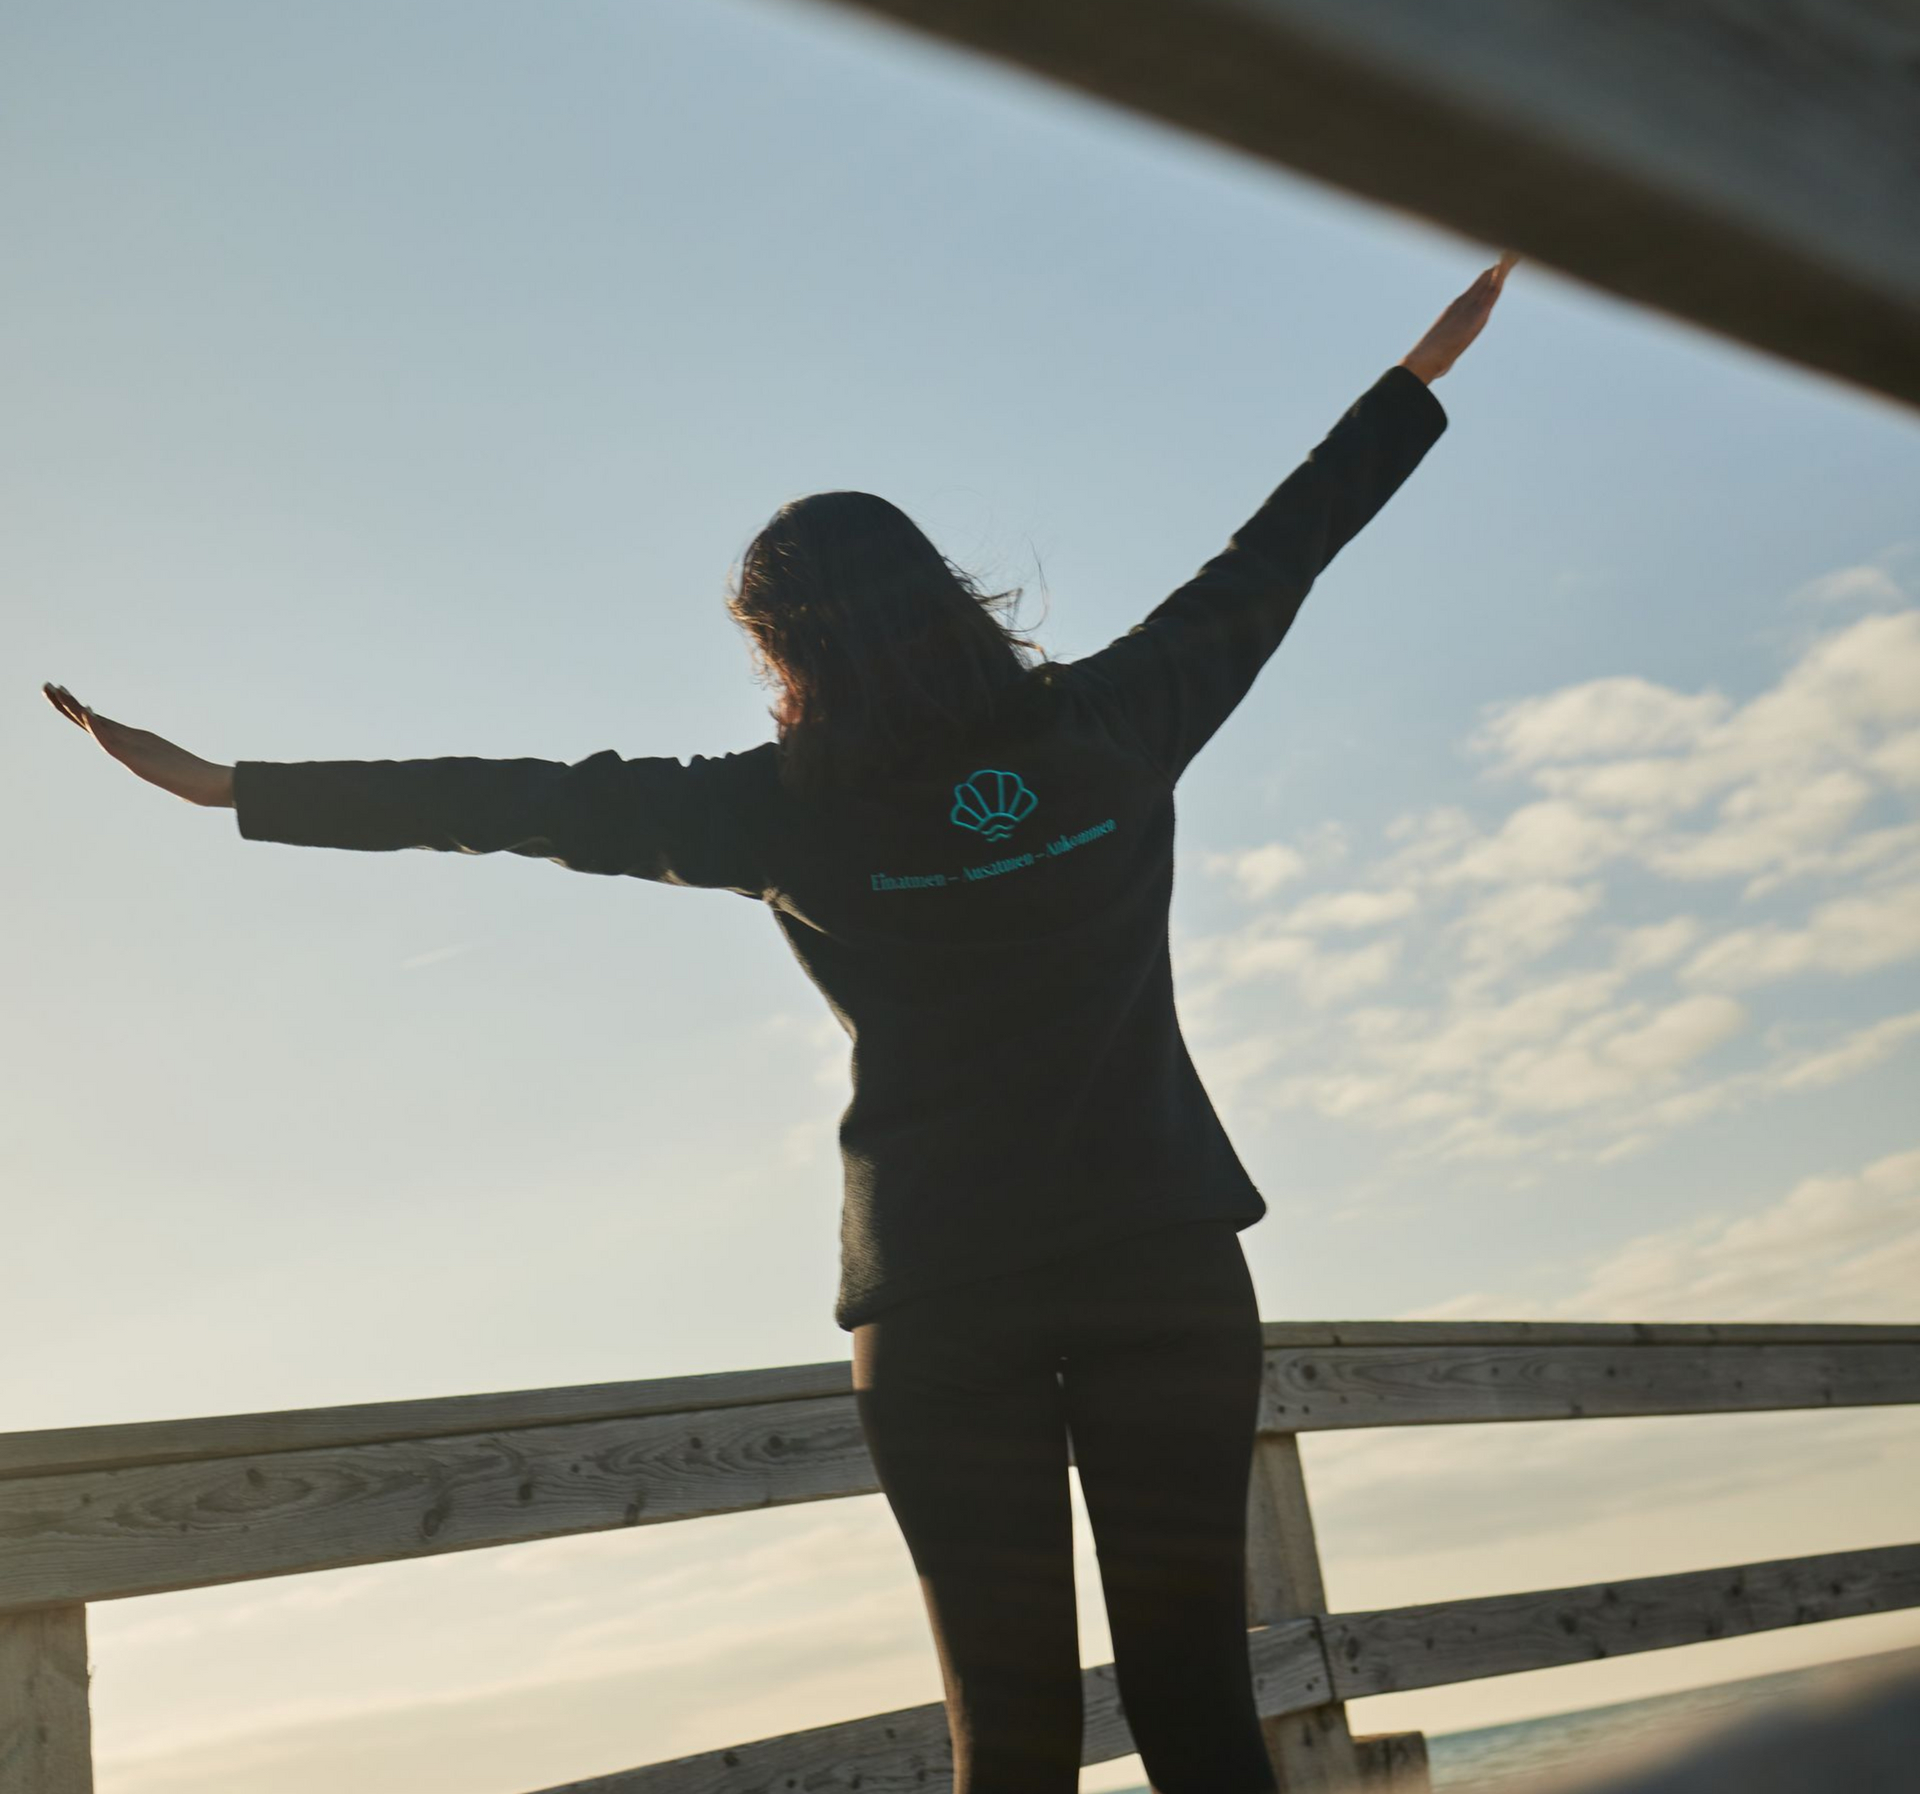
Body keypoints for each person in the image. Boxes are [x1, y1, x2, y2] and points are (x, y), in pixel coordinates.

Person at [45, 254, 1513, 1794]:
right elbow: (1280, 552)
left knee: (1010, 1735)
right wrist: (1415, 379)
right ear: (947, 598)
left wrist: (235, 789)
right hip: (1161, 1260)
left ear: (786, 648)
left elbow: (513, 803)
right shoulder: (1118, 721)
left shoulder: (775, 812)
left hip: (943, 1300)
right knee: (1202, 1711)